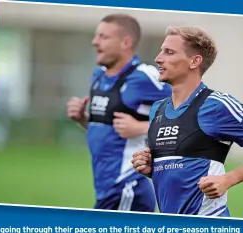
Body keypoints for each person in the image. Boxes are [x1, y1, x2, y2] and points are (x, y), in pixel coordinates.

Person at [131, 26, 243, 217]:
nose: (158, 58)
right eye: (161, 51)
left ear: (194, 61)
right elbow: (176, 167)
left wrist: (228, 179)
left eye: (169, 52)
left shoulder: (218, 105)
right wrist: (152, 167)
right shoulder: (156, 109)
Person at [66, 14, 171, 212]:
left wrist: (140, 127)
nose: (94, 42)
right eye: (96, 36)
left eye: (103, 37)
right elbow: (109, 130)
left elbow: (191, 112)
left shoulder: (144, 77)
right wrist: (82, 118)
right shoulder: (99, 76)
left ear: (126, 42)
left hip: (127, 187)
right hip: (107, 190)